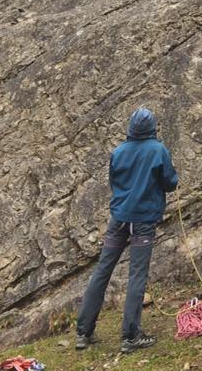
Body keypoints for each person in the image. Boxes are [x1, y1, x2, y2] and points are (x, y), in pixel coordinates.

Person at [76, 107, 178, 353]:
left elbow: (114, 181)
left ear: (131, 128)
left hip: (118, 218)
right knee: (137, 275)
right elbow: (170, 182)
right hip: (143, 221)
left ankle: (83, 332)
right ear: (152, 128)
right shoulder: (157, 150)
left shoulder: (119, 151)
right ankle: (130, 335)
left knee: (103, 270)